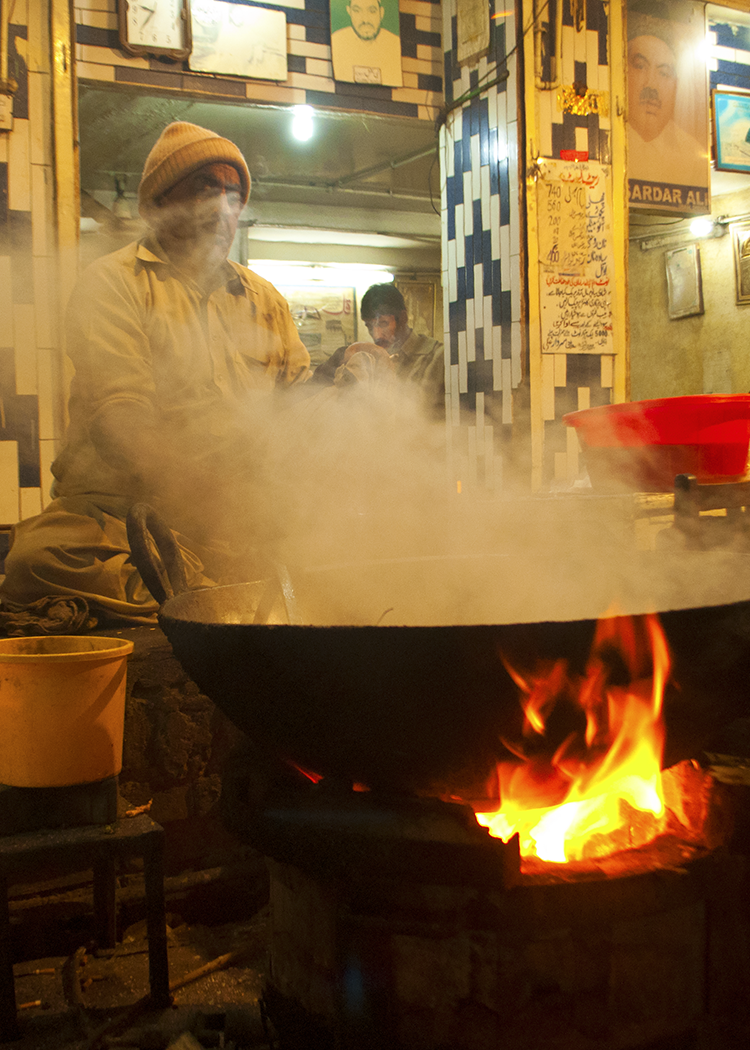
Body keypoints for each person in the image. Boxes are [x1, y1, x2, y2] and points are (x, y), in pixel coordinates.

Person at [0, 121, 310, 630]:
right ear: (155, 207)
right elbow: (120, 419)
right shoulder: (113, 284)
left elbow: (299, 411)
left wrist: (344, 391)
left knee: (338, 561)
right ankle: (208, 593)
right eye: (206, 189)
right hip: (124, 517)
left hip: (239, 524)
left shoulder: (265, 300)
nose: (223, 208)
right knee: (40, 559)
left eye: (234, 195)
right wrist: (205, 494)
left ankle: (208, 591)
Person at [312, 283, 444, 419]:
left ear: (403, 318)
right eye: (369, 326)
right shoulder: (369, 358)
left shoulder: (437, 357)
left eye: (383, 324)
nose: (376, 335)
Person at [627, 9, 707, 187]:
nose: (651, 85)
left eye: (664, 73)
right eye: (640, 67)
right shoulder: (610, 144)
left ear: (676, 85)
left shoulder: (694, 158)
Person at [330, 0, 403, 87]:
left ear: (381, 13)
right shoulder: (338, 39)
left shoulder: (393, 43)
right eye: (357, 11)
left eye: (372, 11)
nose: (365, 19)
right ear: (349, 12)